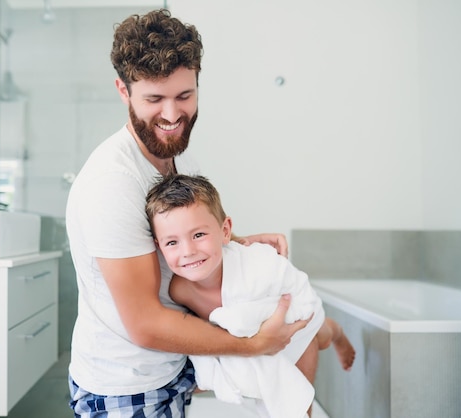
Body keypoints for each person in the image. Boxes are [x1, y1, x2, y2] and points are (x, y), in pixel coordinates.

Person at [65, 9, 314, 417]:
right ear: (123, 91)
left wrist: (236, 240)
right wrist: (255, 345)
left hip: (171, 366)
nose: (171, 115)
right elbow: (144, 324)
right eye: (153, 99)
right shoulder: (111, 184)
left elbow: (179, 236)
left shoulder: (174, 151)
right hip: (127, 387)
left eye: (184, 96)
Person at [145, 173, 356, 417]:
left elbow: (292, 300)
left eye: (199, 235)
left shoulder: (256, 268)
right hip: (261, 339)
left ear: (225, 231)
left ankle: (336, 332)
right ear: (159, 247)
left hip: (291, 318)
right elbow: (215, 331)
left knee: (314, 345)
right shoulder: (180, 291)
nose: (188, 251)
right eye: (172, 243)